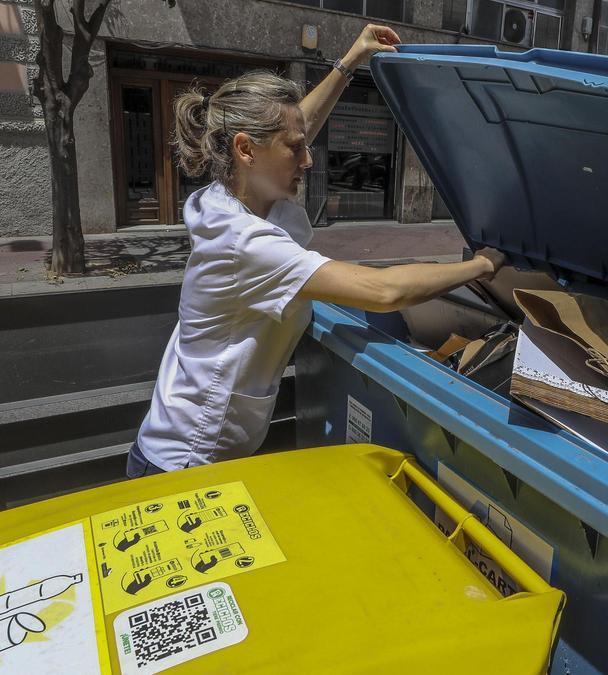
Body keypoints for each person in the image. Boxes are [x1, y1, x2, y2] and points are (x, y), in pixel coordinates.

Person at [126, 25, 505, 477]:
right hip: (183, 462)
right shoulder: (247, 243)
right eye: (296, 149)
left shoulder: (227, 195)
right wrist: (482, 264)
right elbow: (383, 291)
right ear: (245, 149)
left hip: (191, 450)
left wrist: (350, 62)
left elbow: (293, 126)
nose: (307, 160)